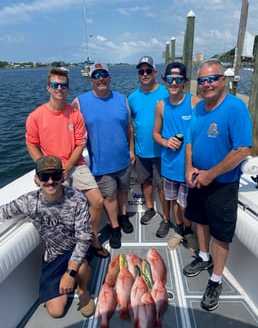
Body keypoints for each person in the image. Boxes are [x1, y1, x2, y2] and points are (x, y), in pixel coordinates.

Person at [182, 59, 253, 311]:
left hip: (222, 183)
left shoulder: (235, 108)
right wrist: (189, 168)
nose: (207, 84)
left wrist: (211, 174)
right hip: (198, 179)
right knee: (201, 221)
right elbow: (189, 141)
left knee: (221, 234)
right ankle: (203, 256)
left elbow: (243, 149)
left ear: (223, 80)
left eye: (212, 79)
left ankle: (216, 279)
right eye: (202, 80)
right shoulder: (199, 108)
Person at [25, 68, 108, 258]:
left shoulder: (75, 114)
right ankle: (63, 249)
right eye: (55, 85)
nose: (59, 88)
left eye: (63, 85)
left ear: (68, 89)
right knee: (57, 211)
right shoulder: (36, 116)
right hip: (51, 168)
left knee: (97, 201)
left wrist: (68, 166)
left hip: (75, 164)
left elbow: (80, 143)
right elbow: (31, 144)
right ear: (48, 88)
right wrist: (44, 166)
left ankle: (92, 239)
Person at [0, 156, 95, 318]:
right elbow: (3, 212)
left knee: (81, 266)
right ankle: (66, 280)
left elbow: (84, 239)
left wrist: (70, 273)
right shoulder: (29, 201)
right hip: (53, 255)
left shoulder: (77, 199)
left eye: (55, 176)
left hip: (76, 250)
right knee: (56, 312)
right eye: (44, 177)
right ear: (37, 179)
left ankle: (83, 289)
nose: (50, 181)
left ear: (62, 176)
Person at [72, 63, 135, 249]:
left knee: (123, 191)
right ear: (91, 80)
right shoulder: (80, 101)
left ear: (109, 77)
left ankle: (123, 217)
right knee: (109, 197)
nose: (101, 78)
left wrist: (131, 150)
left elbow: (129, 128)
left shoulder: (122, 99)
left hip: (123, 158)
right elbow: (70, 128)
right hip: (100, 161)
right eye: (96, 75)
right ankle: (114, 227)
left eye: (104, 75)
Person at [153, 62, 201, 250]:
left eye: (178, 79)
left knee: (185, 204)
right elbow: (155, 134)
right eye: (170, 79)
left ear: (184, 82)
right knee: (173, 201)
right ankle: (179, 229)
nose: (174, 83)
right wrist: (166, 142)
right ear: (164, 81)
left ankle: (188, 231)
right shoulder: (161, 106)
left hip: (190, 165)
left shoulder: (194, 102)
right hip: (169, 165)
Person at [128, 56, 171, 238]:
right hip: (140, 150)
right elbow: (130, 126)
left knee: (162, 186)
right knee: (145, 181)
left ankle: (167, 218)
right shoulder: (132, 97)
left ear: (155, 72)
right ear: (138, 74)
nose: (145, 74)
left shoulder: (166, 93)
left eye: (148, 70)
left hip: (162, 151)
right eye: (141, 71)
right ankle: (150, 208)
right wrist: (131, 150)